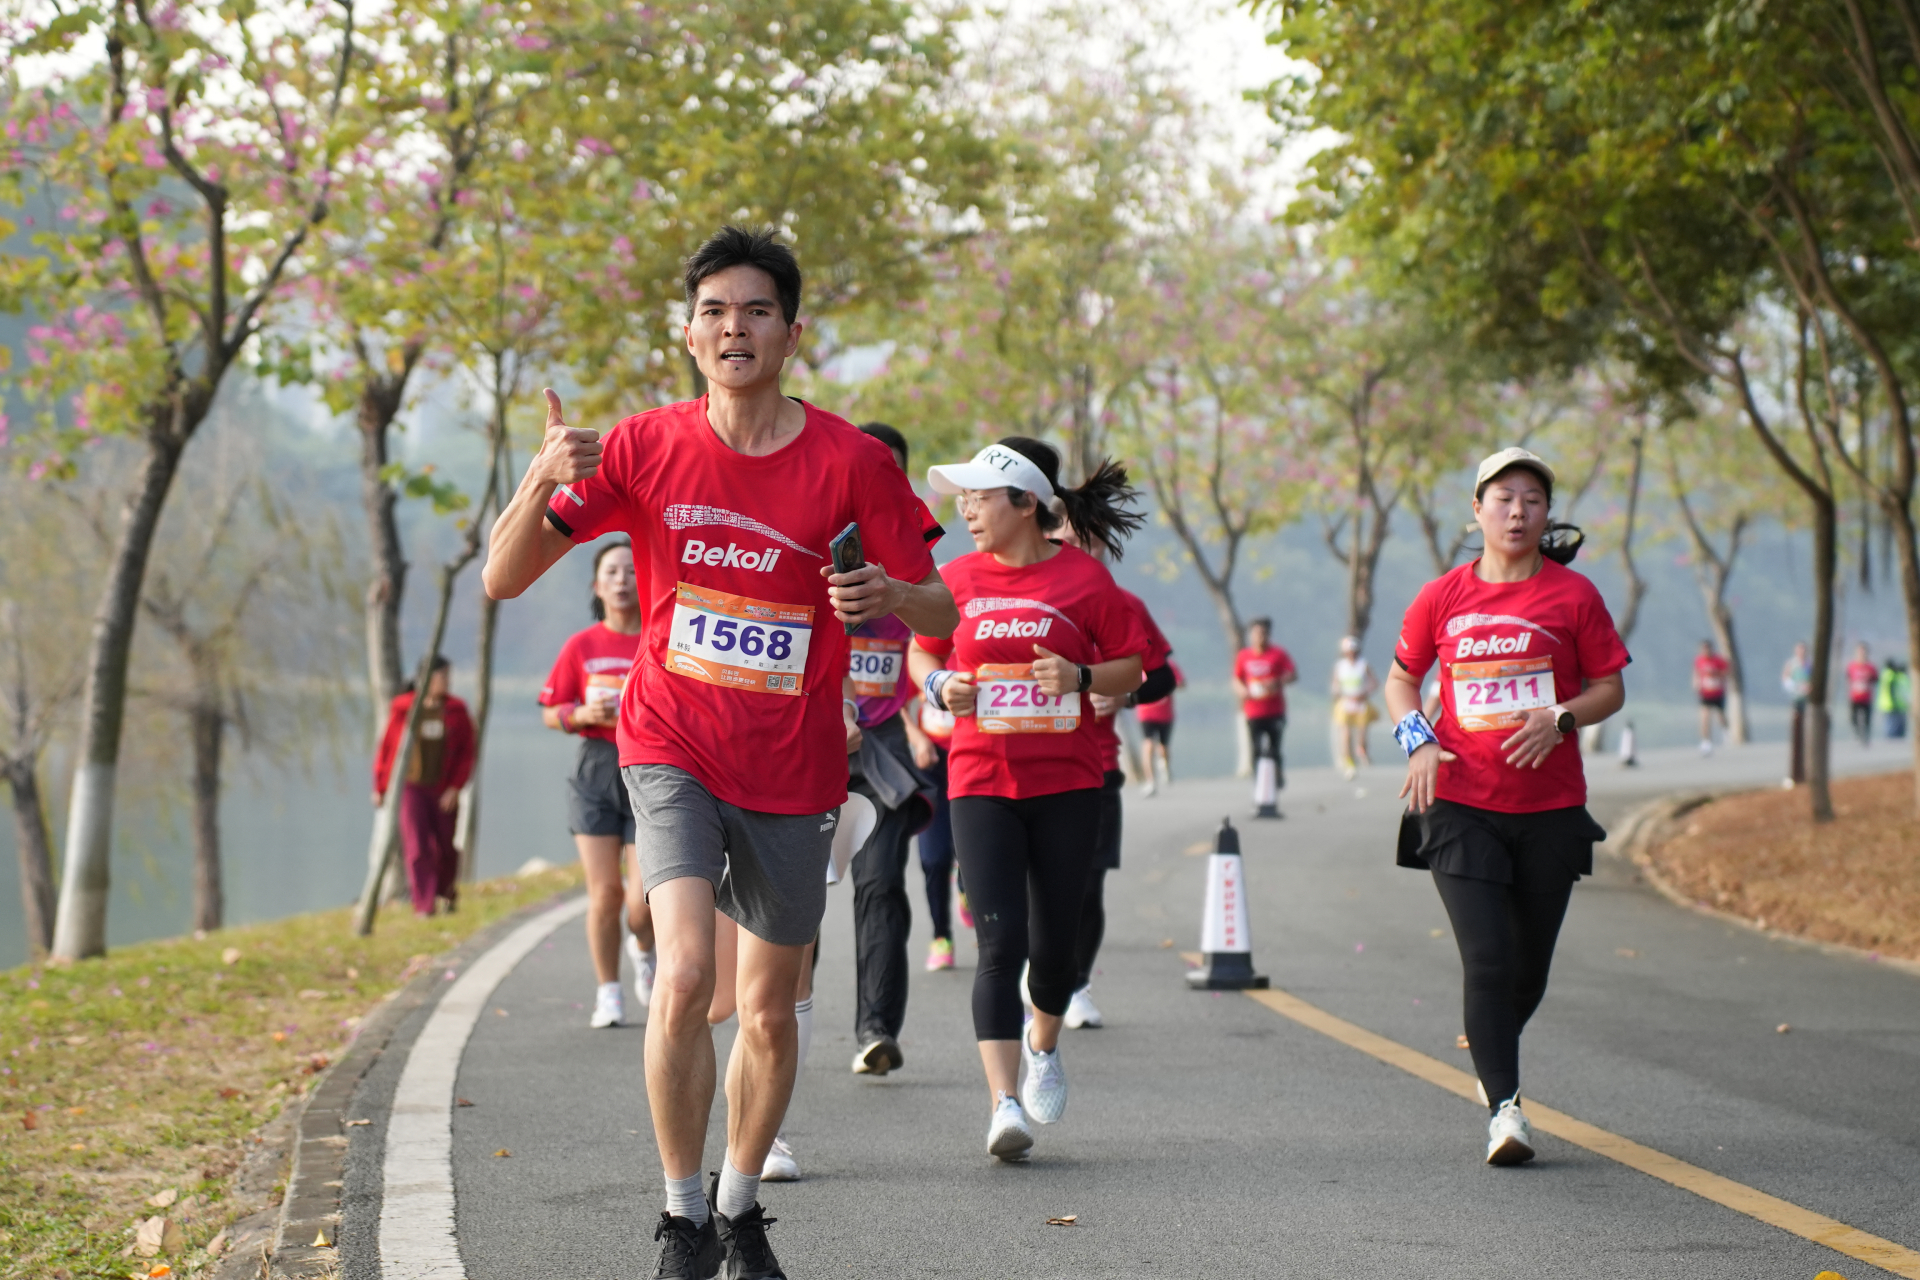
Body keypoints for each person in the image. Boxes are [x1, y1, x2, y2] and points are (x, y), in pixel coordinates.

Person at [482, 226, 956, 1280]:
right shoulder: (646, 448)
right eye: (713, 311)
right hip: (670, 739)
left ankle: (742, 1209)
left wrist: (890, 594)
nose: (732, 327)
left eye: (754, 310)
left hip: (794, 766)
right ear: (687, 333)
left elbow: (946, 613)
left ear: (792, 331)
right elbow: (503, 578)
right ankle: (682, 1217)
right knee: (688, 970)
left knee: (771, 1012)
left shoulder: (853, 461)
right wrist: (534, 481)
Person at [1384, 446, 1628, 1168]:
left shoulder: (1573, 597)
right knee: (1488, 961)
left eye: (1532, 499)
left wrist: (1562, 717)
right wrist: (1418, 741)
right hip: (1460, 804)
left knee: (1527, 974)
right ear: (1478, 510)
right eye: (1503, 498)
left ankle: (1489, 1041)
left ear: (1546, 513)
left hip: (1550, 808)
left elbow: (1610, 688)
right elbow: (1401, 679)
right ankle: (1506, 1111)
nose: (1517, 511)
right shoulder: (1441, 597)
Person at [908, 437, 1147, 1162]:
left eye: (979, 497)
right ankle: (1003, 1103)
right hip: (979, 781)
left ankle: (1044, 1047)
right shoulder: (955, 579)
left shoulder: (1084, 581)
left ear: (1025, 503)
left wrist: (1079, 678)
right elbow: (923, 647)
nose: (966, 510)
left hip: (1069, 785)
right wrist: (939, 687)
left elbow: (1130, 669)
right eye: (963, 498)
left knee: (1054, 948)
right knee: (998, 943)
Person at [845, 420, 946, 1077]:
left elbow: (938, 657)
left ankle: (876, 1031)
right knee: (792, 902)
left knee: (880, 883)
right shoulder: (811, 560)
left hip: (884, 750)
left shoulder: (920, 583)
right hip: (811, 744)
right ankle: (782, 1022)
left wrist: (916, 721)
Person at [1054, 522, 1175, 1032]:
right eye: (1073, 537)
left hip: (1098, 765)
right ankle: (1030, 977)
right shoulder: (1009, 599)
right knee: (1031, 889)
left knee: (1087, 886)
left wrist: (1124, 695)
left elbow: (1162, 675)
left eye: (1094, 541)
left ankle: (1074, 984)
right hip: (1017, 766)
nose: (1085, 549)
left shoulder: (1121, 601)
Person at [538, 538, 656, 1029]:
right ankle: (608, 991)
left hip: (649, 768)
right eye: (611, 572)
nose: (622, 580)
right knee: (604, 893)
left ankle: (643, 946)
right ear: (596, 585)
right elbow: (550, 710)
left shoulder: (658, 637)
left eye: (631, 571)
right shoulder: (581, 646)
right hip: (595, 770)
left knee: (642, 901)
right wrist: (578, 713)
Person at [372, 656, 475, 918]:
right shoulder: (403, 707)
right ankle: (424, 905)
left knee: (445, 846)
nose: (447, 682)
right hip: (412, 787)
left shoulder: (457, 709)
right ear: (426, 678)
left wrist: (455, 787)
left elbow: (467, 752)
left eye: (448, 677)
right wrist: (380, 786)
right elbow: (387, 749)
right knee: (417, 847)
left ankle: (446, 893)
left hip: (443, 788)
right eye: (442, 677)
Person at [1233, 618, 1297, 817]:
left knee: (1275, 749)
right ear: (1250, 635)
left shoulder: (1278, 654)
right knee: (1256, 750)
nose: (1259, 637)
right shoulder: (1244, 656)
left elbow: (1292, 674)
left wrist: (1276, 682)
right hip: (1253, 711)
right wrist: (1242, 690)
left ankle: (1277, 775)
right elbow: (1236, 679)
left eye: (1263, 633)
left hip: (1275, 711)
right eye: (1256, 633)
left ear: (1268, 635)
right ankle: (1259, 784)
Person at [1330, 636, 1378, 780]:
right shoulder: (1340, 666)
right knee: (1345, 734)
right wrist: (1342, 694)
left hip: (1361, 703)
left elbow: (1374, 683)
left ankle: (1362, 751)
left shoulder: (1363, 665)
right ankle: (1348, 762)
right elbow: (1335, 685)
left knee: (1362, 734)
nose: (1351, 653)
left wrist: (1364, 693)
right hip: (1346, 703)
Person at [1134, 659, 1183, 795]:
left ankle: (1164, 766)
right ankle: (1150, 781)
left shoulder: (1169, 666)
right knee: (1148, 744)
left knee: (1163, 747)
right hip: (1146, 712)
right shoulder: (1138, 666)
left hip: (1165, 714)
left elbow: (1181, 683)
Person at [1693, 639, 1730, 756]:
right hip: (1705, 693)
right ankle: (1706, 742)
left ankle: (1725, 732)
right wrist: (1695, 684)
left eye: (1707, 648)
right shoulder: (1699, 660)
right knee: (1705, 718)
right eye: (1703, 649)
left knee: (1720, 716)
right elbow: (1696, 673)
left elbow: (1727, 672)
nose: (1705, 651)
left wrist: (1716, 674)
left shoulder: (1718, 660)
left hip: (1718, 692)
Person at [1782, 642, 1811, 787]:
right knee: (1796, 724)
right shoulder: (1792, 664)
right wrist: (1796, 687)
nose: (1801, 652)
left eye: (1803, 650)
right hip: (1795, 698)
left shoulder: (1810, 665)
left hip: (1808, 700)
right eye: (1799, 649)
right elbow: (1786, 679)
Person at [1846, 642, 1877, 747]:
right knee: (1853, 718)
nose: (1861, 654)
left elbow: (1876, 680)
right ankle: (1857, 734)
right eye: (1859, 652)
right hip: (1855, 696)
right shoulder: (1852, 666)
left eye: (1863, 652)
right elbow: (1848, 679)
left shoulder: (1871, 667)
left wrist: (1869, 678)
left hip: (1866, 697)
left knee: (1867, 718)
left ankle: (1866, 737)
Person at [1878, 659, 1911, 739]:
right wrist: (1893, 701)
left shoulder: (1885, 675)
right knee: (1893, 726)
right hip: (1893, 704)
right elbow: (1892, 691)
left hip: (1888, 704)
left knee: (1892, 725)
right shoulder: (1893, 676)